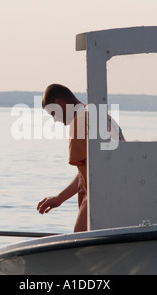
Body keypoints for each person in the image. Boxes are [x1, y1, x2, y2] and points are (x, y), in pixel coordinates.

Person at [37, 84, 124, 232]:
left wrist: (81, 227)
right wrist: (59, 198)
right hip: (121, 199)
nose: (55, 120)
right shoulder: (102, 116)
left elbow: (93, 179)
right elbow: (90, 168)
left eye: (53, 114)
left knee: (80, 250)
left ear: (60, 104)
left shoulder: (79, 122)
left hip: (98, 201)